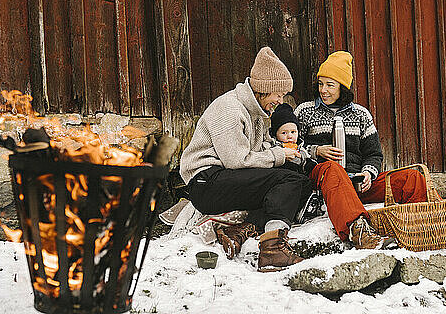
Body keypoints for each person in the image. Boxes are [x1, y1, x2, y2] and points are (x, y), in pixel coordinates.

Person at [180, 47, 306, 272]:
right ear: (264, 89)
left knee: (297, 178)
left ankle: (238, 230)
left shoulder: (256, 113)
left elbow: (258, 151)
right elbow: (237, 160)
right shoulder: (229, 108)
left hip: (225, 177)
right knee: (287, 181)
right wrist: (278, 155)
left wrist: (288, 154)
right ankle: (273, 249)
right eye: (278, 94)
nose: (280, 100)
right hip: (206, 182)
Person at [294, 51, 431, 249]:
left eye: (330, 85)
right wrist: (316, 151)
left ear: (343, 87)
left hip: (356, 183)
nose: (323, 90)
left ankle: (431, 226)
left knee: (412, 178)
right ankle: (359, 233)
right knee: (333, 169)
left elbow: (373, 153)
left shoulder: (361, 114)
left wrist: (368, 173)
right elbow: (291, 148)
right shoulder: (305, 111)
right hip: (323, 182)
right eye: (321, 84)